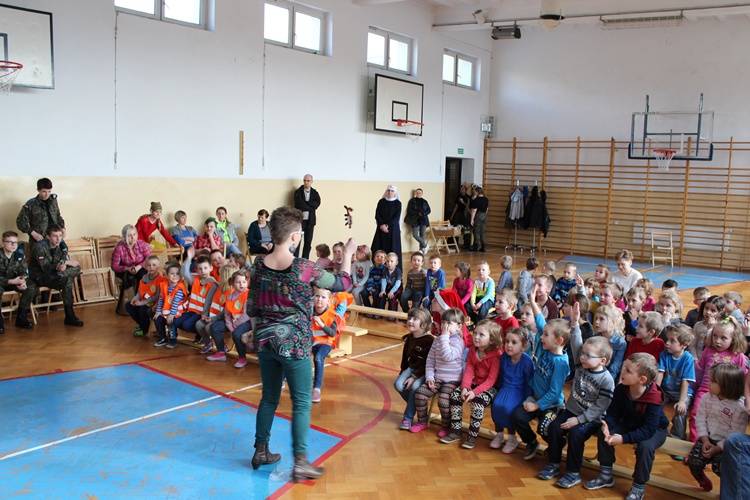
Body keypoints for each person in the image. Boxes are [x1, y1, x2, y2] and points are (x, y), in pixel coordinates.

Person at [248, 206, 354, 482]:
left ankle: (261, 451)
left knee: (269, 397)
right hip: (295, 344)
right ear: (295, 237)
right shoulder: (304, 268)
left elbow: (252, 308)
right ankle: (301, 462)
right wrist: (348, 256)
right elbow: (342, 283)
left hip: (266, 342)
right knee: (302, 401)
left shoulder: (257, 265)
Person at [539, 322, 615, 489]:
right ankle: (553, 463)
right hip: (571, 411)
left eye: (588, 355)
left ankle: (573, 473)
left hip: (591, 418)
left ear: (603, 361)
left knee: (576, 434)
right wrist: (575, 324)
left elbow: (600, 407)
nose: (582, 357)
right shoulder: (582, 365)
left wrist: (579, 420)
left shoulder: (607, 380)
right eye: (582, 354)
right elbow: (576, 343)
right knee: (554, 428)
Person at [585, 354, 669, 500]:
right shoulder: (621, 389)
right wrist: (607, 426)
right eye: (624, 367)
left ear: (642, 379)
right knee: (603, 434)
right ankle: (605, 475)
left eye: (628, 371)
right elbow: (613, 414)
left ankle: (638, 487)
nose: (622, 372)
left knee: (645, 447)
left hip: (655, 430)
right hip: (630, 423)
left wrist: (623, 438)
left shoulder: (654, 398)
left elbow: (648, 430)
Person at [511, 318, 570, 460]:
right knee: (517, 416)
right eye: (542, 333)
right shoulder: (547, 349)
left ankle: (558, 443)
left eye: (545, 335)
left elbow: (555, 393)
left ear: (559, 341)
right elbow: (541, 323)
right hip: (535, 398)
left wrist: (536, 405)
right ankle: (531, 442)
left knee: (544, 428)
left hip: (552, 405)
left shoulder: (561, 363)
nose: (541, 337)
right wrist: (533, 303)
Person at [441, 319, 502, 449]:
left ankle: (472, 436)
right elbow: (469, 370)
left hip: (489, 388)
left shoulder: (496, 356)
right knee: (455, 396)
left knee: (478, 402)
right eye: (475, 333)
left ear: (491, 340)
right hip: (474, 384)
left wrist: (474, 393)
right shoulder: (473, 350)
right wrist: (465, 388)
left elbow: (491, 380)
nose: (476, 337)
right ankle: (456, 431)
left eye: (481, 335)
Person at [688, 363, 748, 492]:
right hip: (707, 438)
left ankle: (728, 490)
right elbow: (700, 419)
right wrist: (704, 439)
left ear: (727, 385)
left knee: (722, 468)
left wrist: (718, 448)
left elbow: (735, 433)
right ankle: (702, 479)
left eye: (713, 381)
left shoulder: (739, 406)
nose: (709, 383)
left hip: (726, 444)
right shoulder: (706, 398)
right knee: (693, 461)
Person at [689, 317, 748, 441]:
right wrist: (693, 388)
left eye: (723, 338)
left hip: (728, 395)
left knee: (722, 420)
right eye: (715, 336)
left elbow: (741, 378)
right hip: (705, 390)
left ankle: (719, 444)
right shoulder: (708, 351)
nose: (717, 341)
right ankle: (696, 442)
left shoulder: (738, 356)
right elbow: (699, 371)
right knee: (696, 414)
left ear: (733, 339)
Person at [411, 308, 466, 436]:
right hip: (437, 378)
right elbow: (430, 360)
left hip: (453, 380)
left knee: (443, 400)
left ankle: (446, 426)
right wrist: (430, 377)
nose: (444, 326)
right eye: (443, 323)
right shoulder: (437, 340)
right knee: (420, 394)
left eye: (449, 323)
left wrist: (444, 337)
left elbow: (448, 356)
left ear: (459, 327)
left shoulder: (458, 341)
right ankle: (422, 421)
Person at [29, 225, 83, 327]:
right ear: (48, 237)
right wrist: (63, 265)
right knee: (67, 280)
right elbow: (45, 267)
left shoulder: (62, 246)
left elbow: (63, 259)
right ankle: (70, 316)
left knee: (76, 268)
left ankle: (70, 317)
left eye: (60, 236)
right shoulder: (39, 247)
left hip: (55, 274)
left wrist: (64, 264)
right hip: (40, 276)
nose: (58, 239)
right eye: (55, 236)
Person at [490, 327, 534, 454]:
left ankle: (512, 437)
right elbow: (501, 376)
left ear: (523, 346)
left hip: (519, 391)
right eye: (507, 341)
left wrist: (527, 399)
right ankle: (499, 434)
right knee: (496, 404)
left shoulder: (527, 362)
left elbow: (529, 383)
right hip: (505, 388)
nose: (509, 345)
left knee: (509, 408)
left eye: (514, 342)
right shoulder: (504, 358)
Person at [656, 324, 696, 442]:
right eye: (667, 339)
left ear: (684, 345)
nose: (667, 343)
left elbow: (685, 381)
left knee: (681, 409)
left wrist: (682, 401)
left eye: (672, 341)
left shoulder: (688, 358)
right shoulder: (664, 354)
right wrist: (655, 392)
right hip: (667, 390)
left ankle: (677, 436)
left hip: (683, 392)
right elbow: (660, 374)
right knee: (655, 402)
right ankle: (657, 427)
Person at [396, 308, 434, 430]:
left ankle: (407, 418)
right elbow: (405, 357)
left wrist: (414, 377)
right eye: (409, 318)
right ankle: (417, 404)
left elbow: (427, 363)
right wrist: (403, 371)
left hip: (424, 371)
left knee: (414, 387)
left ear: (424, 323)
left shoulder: (429, 340)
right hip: (411, 368)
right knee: (398, 384)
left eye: (415, 319)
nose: (410, 321)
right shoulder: (410, 337)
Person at [311, 288, 350, 403]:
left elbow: (332, 333)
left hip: (325, 343)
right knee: (293, 352)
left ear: (328, 301)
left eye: (323, 297)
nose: (319, 299)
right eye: (317, 296)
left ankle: (316, 389)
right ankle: (282, 380)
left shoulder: (332, 315)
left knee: (318, 357)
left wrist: (322, 324)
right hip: (311, 341)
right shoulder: (309, 311)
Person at [207, 269, 252, 367]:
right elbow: (227, 314)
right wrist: (230, 326)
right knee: (214, 327)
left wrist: (235, 326)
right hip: (232, 322)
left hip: (246, 322)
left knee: (237, 334)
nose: (241, 284)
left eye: (244, 282)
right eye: (238, 282)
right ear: (232, 283)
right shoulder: (230, 296)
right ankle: (221, 352)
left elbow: (247, 314)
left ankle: (242, 358)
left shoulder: (248, 295)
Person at [177, 248, 220, 343]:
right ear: (196, 270)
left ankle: (203, 334)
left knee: (187, 325)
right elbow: (184, 272)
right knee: (177, 322)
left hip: (203, 314)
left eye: (205, 268)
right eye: (200, 269)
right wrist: (189, 258)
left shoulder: (213, 284)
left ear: (211, 268)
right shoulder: (195, 280)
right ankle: (199, 335)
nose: (203, 271)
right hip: (193, 311)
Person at [111, 224, 152, 314]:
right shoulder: (119, 248)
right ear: (124, 237)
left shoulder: (142, 244)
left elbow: (149, 259)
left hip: (141, 268)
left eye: (134, 234)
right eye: (129, 235)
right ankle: (130, 304)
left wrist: (139, 266)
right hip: (125, 271)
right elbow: (114, 266)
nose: (133, 237)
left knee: (142, 275)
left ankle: (142, 303)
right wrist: (127, 268)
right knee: (130, 277)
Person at [0, 231, 36, 332]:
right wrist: (11, 281)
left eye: (15, 242)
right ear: (3, 243)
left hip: (15, 282)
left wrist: (22, 281)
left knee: (31, 286)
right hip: (2, 283)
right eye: (10, 242)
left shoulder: (19, 254)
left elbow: (24, 271)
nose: (13, 245)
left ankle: (21, 318)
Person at [16, 177, 65, 248]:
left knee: (64, 251)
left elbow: (58, 215)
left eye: (49, 191)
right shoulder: (31, 204)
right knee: (41, 254)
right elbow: (20, 222)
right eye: (44, 191)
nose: (47, 194)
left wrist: (63, 228)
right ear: (38, 190)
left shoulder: (53, 201)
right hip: (39, 239)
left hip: (54, 238)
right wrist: (33, 233)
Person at [125, 255, 163, 337]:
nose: (151, 267)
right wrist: (135, 298)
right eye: (149, 265)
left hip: (154, 303)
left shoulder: (160, 279)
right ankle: (142, 324)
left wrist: (142, 302)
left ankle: (144, 330)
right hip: (144, 301)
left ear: (158, 266)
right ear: (145, 267)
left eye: (154, 265)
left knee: (143, 309)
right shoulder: (144, 277)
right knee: (128, 305)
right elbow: (140, 291)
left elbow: (156, 296)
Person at [152, 261, 188, 349]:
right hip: (167, 310)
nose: (175, 276)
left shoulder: (180, 288)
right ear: (167, 275)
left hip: (177, 311)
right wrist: (158, 312)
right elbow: (161, 299)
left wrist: (172, 314)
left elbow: (175, 303)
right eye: (172, 274)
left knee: (171, 322)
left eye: (177, 274)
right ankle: (162, 338)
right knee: (158, 319)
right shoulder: (164, 285)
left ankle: (173, 339)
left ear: (180, 276)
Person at [371, 185, 402, 267]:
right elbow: (377, 215)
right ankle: (377, 267)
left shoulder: (398, 203)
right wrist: (381, 225)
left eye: (392, 191)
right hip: (381, 229)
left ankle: (392, 268)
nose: (390, 192)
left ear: (395, 193)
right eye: (388, 190)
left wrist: (386, 225)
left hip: (393, 230)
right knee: (378, 247)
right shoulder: (381, 202)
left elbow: (396, 218)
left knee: (393, 249)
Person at [293, 174, 321, 259]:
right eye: (304, 180)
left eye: (308, 181)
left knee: (308, 242)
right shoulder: (298, 192)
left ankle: (305, 260)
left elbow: (317, 203)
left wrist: (307, 204)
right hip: (300, 221)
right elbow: (299, 204)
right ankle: (296, 260)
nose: (306, 182)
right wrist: (310, 206)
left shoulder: (315, 193)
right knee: (297, 241)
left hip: (310, 221)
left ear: (311, 181)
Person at [404, 188, 431, 253]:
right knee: (415, 235)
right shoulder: (412, 201)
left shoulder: (425, 201)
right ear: (415, 193)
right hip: (415, 221)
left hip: (423, 220)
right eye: (417, 192)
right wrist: (417, 213)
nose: (418, 194)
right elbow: (409, 210)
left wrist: (423, 213)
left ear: (422, 194)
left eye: (420, 193)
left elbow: (429, 210)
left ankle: (421, 250)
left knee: (422, 235)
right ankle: (425, 245)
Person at [450, 183, 472, 249]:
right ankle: (454, 243)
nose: (461, 190)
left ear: (465, 190)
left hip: (465, 214)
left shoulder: (468, 197)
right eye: (461, 189)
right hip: (458, 214)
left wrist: (463, 202)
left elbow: (468, 208)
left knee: (466, 229)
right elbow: (456, 206)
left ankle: (466, 244)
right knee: (456, 228)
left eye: (463, 189)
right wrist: (452, 215)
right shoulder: (458, 196)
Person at [469, 186, 489, 252]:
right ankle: (483, 247)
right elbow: (487, 209)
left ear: (477, 192)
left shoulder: (476, 200)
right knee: (483, 232)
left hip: (478, 215)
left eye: (475, 191)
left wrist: (472, 219)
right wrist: (484, 215)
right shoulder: (486, 199)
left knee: (476, 231)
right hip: (484, 215)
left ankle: (477, 246)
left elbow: (474, 210)